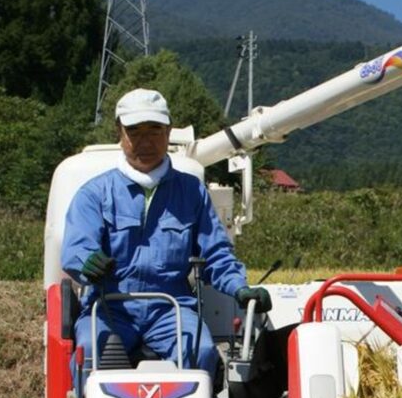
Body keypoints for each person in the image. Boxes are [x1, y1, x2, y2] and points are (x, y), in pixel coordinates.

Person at [62, 88, 270, 381]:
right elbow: (75, 248)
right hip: (110, 307)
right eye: (135, 131)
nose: (145, 141)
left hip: (170, 309)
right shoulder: (95, 193)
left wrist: (239, 287)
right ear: (119, 133)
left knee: (201, 351)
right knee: (93, 352)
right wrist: (86, 262)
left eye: (155, 130)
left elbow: (215, 254)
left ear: (169, 131)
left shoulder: (191, 191)